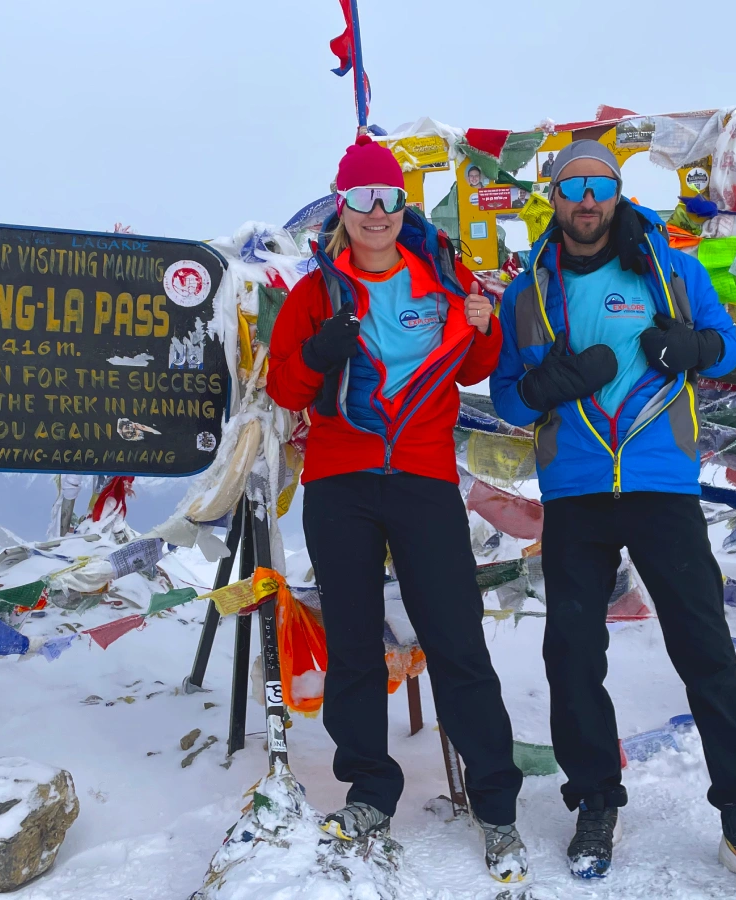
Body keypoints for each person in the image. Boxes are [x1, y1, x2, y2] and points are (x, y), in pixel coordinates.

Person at [490, 140, 736, 900]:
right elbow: (507, 398)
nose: (586, 199)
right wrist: (552, 383)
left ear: (615, 193)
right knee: (571, 654)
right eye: (571, 187)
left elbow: (726, 349)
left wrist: (690, 346)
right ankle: (596, 802)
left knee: (704, 650)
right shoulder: (527, 291)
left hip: (660, 481)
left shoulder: (671, 268)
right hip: (574, 488)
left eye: (598, 186)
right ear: (554, 197)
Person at [267, 136, 527, 884]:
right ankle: (370, 793)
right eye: (361, 199)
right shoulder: (314, 291)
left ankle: (496, 805)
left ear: (402, 204)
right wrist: (319, 353)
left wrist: (484, 322)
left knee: (455, 641)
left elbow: (474, 362)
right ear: (340, 206)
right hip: (339, 482)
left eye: (388, 198)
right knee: (352, 642)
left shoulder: (442, 271)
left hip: (421, 478)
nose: (376, 214)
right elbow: (286, 389)